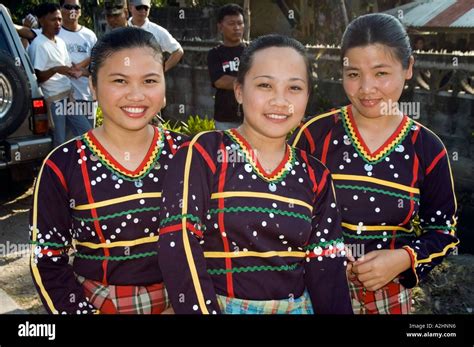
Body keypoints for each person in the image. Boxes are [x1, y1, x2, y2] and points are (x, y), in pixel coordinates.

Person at [158, 34, 353, 314]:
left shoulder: (316, 175)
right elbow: (179, 242)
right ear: (239, 90)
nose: (280, 100)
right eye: (265, 85)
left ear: (308, 96)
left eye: (294, 88)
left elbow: (326, 268)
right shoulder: (203, 153)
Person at [291, 13, 459, 314]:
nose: (367, 88)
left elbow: (443, 232)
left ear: (408, 68)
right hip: (313, 292)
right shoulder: (316, 136)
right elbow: (285, 212)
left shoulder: (427, 148)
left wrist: (404, 258)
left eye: (381, 73)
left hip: (389, 300)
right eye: (353, 74)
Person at [30, 27, 187, 314]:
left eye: (150, 80)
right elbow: (48, 258)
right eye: (119, 80)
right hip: (98, 304)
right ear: (93, 85)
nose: (136, 95)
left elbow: (216, 242)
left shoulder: (189, 156)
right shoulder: (62, 165)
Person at [27, 3, 91, 147]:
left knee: (87, 132)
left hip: (68, 96)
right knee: (60, 142)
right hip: (54, 100)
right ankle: (57, 169)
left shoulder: (60, 42)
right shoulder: (38, 45)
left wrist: (75, 71)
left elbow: (66, 67)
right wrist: (55, 69)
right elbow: (38, 77)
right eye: (53, 20)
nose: (58, 23)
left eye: (59, 20)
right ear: (42, 20)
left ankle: (84, 166)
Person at [58, 0, 98, 126]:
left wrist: (80, 68)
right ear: (60, 9)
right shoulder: (54, 33)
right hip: (62, 98)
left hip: (87, 96)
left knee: (88, 139)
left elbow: (97, 60)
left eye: (76, 7)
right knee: (66, 141)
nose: (72, 11)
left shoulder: (90, 35)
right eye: (68, 7)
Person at [207, 3, 246, 130]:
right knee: (225, 149)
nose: (237, 28)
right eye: (231, 24)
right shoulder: (215, 53)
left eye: (240, 23)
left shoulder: (252, 52)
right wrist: (250, 83)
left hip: (250, 116)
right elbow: (219, 81)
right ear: (220, 26)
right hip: (224, 118)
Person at [128, 0, 183, 72]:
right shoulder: (122, 28)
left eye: (146, 8)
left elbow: (178, 51)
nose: (143, 11)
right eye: (139, 7)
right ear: (130, 7)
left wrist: (161, 70)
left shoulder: (157, 31)